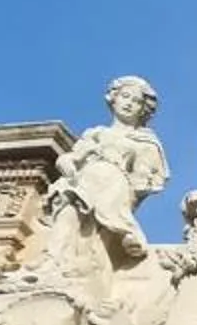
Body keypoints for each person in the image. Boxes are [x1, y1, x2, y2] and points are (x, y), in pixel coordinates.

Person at [41, 77, 171, 287]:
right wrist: (65, 162)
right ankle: (55, 260)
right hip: (83, 179)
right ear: (113, 99)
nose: (128, 103)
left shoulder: (146, 142)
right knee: (68, 207)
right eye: (125, 96)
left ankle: (80, 266)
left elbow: (145, 180)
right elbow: (72, 157)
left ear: (143, 109)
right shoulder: (96, 133)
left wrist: (130, 178)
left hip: (113, 186)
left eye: (136, 101)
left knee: (98, 231)